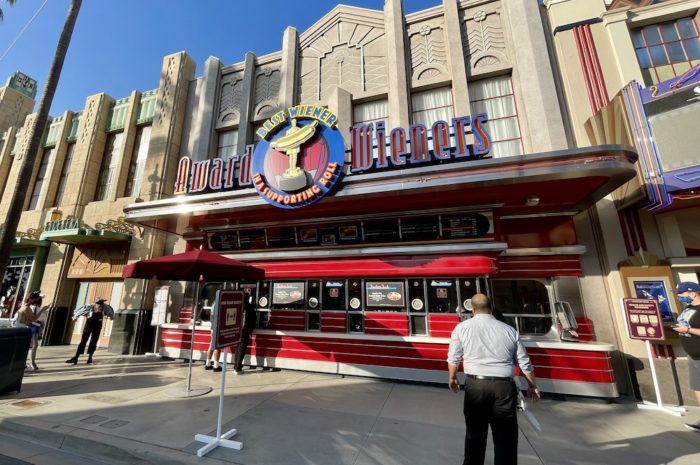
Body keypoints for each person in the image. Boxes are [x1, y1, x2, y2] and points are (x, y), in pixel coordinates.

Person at [447, 293, 540, 465]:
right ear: (491, 307)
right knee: (505, 438)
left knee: (475, 435)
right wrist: (532, 385)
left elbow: (453, 357)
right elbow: (524, 362)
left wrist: (452, 378)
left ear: (472, 309)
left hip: (475, 386)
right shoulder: (509, 330)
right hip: (504, 388)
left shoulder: (462, 328)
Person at [671, 281, 700, 432]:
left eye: (681, 293)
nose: (679, 296)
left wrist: (687, 329)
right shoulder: (689, 308)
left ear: (693, 293)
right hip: (692, 355)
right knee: (697, 387)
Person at [66, 298, 114, 365]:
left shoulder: (105, 307)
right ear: (95, 304)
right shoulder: (90, 307)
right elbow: (81, 311)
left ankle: (90, 358)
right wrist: (75, 317)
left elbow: (110, 312)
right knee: (83, 341)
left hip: (97, 325)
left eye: (101, 305)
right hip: (89, 324)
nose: (99, 306)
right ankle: (76, 358)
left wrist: (110, 316)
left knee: (94, 341)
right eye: (98, 304)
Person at [13, 290, 46, 370]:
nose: (37, 300)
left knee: (27, 345)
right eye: (36, 299)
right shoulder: (28, 307)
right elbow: (34, 319)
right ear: (32, 299)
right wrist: (42, 310)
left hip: (26, 327)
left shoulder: (26, 306)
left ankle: (23, 363)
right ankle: (26, 363)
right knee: (30, 345)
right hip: (29, 327)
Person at [233, 290, 257, 375]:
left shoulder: (237, 305)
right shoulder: (250, 307)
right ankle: (237, 368)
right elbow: (254, 319)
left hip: (237, 330)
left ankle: (236, 366)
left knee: (237, 349)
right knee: (241, 349)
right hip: (245, 331)